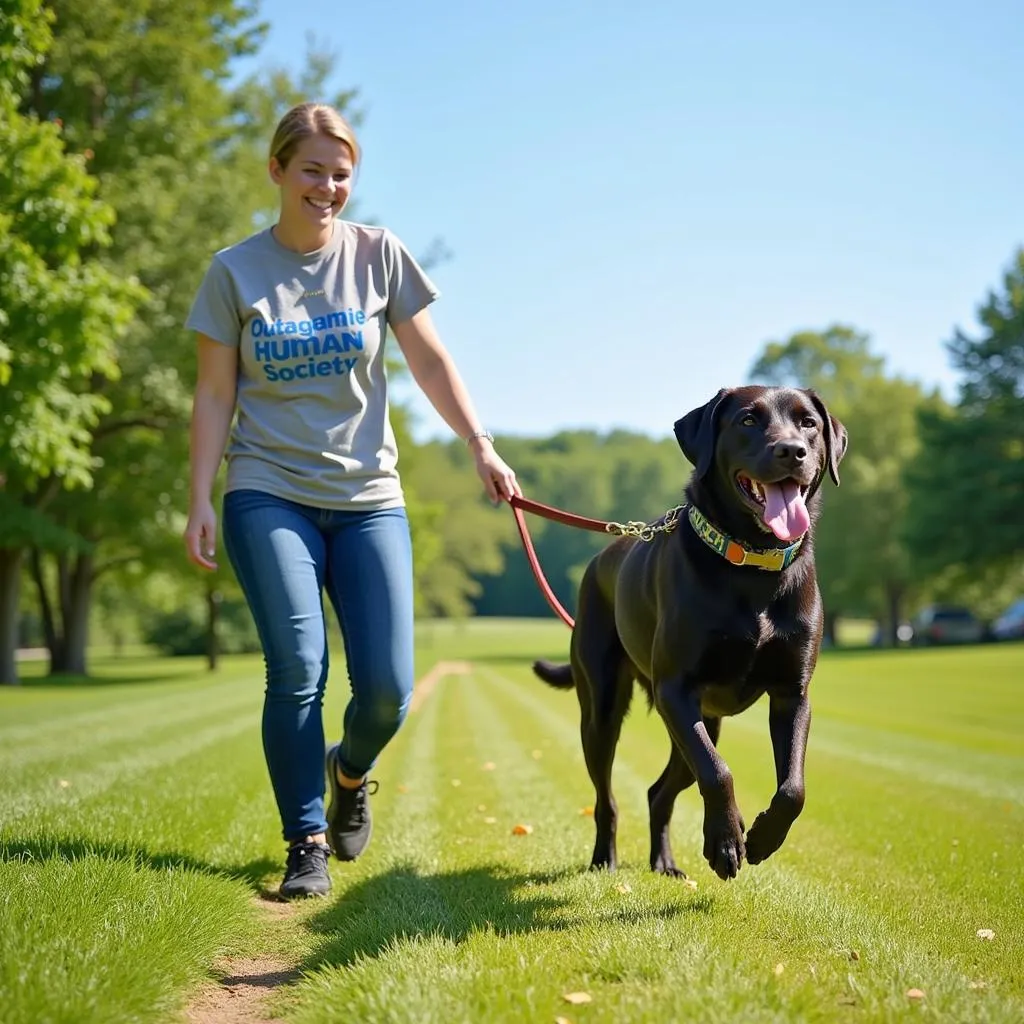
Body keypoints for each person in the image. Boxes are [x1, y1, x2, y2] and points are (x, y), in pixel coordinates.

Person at [182, 102, 521, 900]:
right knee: (297, 666)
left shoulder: (380, 256)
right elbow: (213, 391)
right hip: (268, 490)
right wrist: (200, 494)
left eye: (341, 174)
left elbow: (432, 362)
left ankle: (348, 770)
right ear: (276, 170)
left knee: (387, 689)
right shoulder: (233, 272)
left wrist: (481, 444)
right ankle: (305, 841)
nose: (328, 187)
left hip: (370, 496)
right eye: (311, 170)